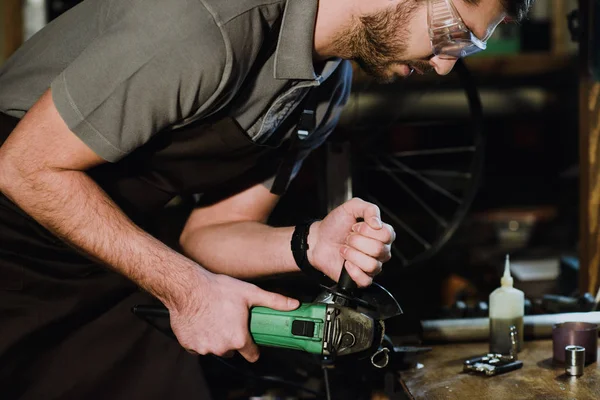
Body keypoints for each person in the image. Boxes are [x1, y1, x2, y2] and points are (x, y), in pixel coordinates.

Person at [0, 0, 533, 398]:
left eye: (469, 47)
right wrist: (189, 290)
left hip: (108, 255)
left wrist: (309, 242)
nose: (445, 66)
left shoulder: (325, 88)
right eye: (454, 32)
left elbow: (205, 236)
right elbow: (23, 166)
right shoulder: (209, 23)